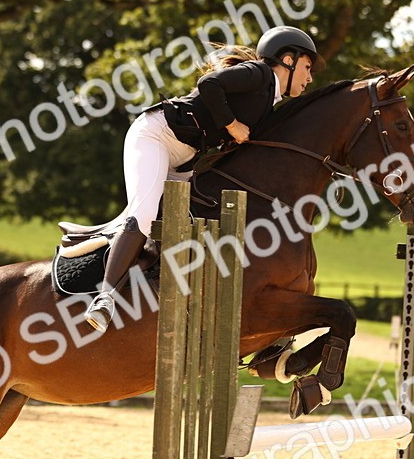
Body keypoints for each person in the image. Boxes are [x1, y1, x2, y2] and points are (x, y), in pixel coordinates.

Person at [83, 25, 325, 332]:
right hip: (156, 136)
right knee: (143, 214)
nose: (310, 78)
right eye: (307, 67)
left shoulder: (269, 100)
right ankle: (105, 298)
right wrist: (233, 124)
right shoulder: (259, 74)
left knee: (190, 220)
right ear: (287, 60)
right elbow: (209, 83)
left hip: (185, 158)